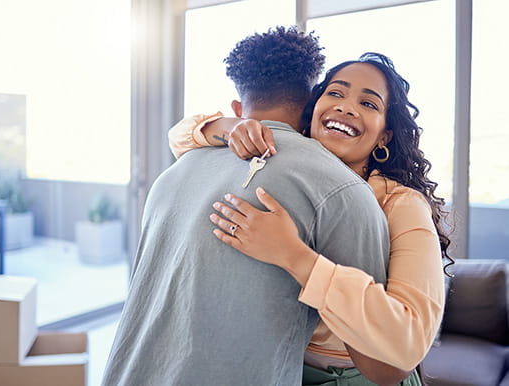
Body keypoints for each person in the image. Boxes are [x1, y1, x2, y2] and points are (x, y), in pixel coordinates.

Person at [102, 27, 396, 386]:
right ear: (312, 101)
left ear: (239, 106)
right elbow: (384, 364)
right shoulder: (342, 191)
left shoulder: (173, 174)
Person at [169, 52, 452, 385]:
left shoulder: (401, 204)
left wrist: (293, 255)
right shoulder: (289, 172)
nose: (347, 107)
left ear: (384, 136)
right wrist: (230, 127)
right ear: (312, 111)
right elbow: (179, 136)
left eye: (369, 104)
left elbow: (409, 341)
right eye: (335, 93)